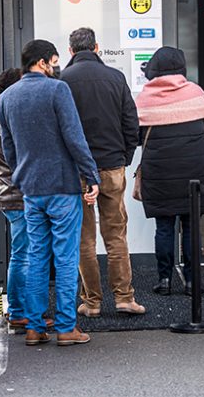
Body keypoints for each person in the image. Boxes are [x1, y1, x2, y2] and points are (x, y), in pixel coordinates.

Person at [0, 39, 100, 347]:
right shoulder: (57, 90)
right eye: (54, 62)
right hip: (61, 185)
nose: (56, 67)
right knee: (66, 257)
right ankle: (67, 328)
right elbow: (74, 136)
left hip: (30, 188)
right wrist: (90, 174)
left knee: (36, 256)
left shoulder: (7, 96)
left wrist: (21, 174)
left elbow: (8, 145)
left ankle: (33, 326)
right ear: (42, 62)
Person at [61, 27, 146, 317]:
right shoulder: (116, 77)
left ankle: (92, 302)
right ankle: (124, 298)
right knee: (116, 235)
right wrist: (125, 157)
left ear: (71, 51)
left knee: (84, 238)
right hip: (112, 167)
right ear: (97, 47)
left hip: (77, 170)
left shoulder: (63, 80)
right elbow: (130, 122)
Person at [134, 47, 204, 295]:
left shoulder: (145, 98)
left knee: (164, 227)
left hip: (159, 172)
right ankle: (193, 281)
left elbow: (136, 135)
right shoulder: (195, 92)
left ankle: (164, 280)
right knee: (192, 227)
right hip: (194, 172)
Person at [0, 67, 49, 332]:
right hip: (17, 196)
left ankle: (20, 309)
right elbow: (18, 162)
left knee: (22, 254)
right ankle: (20, 311)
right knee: (23, 255)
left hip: (11, 194)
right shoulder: (3, 123)